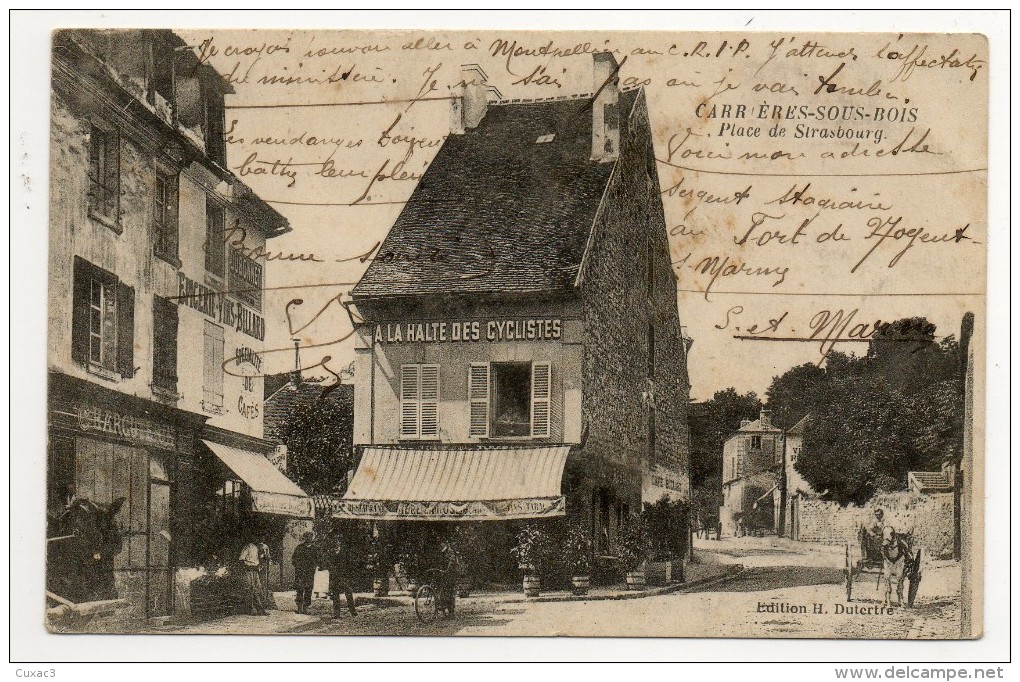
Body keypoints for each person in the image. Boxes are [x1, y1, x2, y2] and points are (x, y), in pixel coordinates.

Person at [326, 535, 357, 618]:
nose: (335, 543)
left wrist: (348, 574)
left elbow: (350, 564)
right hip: (335, 576)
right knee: (335, 595)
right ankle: (336, 614)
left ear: (340, 543)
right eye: (334, 542)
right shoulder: (330, 553)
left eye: (337, 541)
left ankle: (353, 611)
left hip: (344, 576)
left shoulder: (345, 553)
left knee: (348, 593)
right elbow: (328, 564)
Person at [238, 540, 268, 616]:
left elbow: (263, 558)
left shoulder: (261, 547)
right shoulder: (248, 547)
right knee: (250, 589)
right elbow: (241, 559)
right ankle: (251, 609)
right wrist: (247, 567)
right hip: (249, 570)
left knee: (258, 589)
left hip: (256, 570)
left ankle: (260, 609)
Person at [292, 532, 318, 614]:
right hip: (300, 572)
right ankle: (299, 607)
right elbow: (294, 559)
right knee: (299, 589)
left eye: (310, 537)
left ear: (312, 538)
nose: (308, 539)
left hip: (310, 573)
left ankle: (305, 608)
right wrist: (298, 566)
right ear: (305, 538)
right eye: (307, 537)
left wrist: (314, 566)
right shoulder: (299, 548)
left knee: (308, 589)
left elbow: (318, 559)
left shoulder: (314, 549)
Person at [257, 541, 273, 609]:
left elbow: (268, 556)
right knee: (258, 584)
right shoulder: (256, 547)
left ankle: (264, 602)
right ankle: (259, 602)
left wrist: (266, 557)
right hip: (257, 566)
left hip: (264, 567)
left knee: (264, 584)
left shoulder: (265, 546)